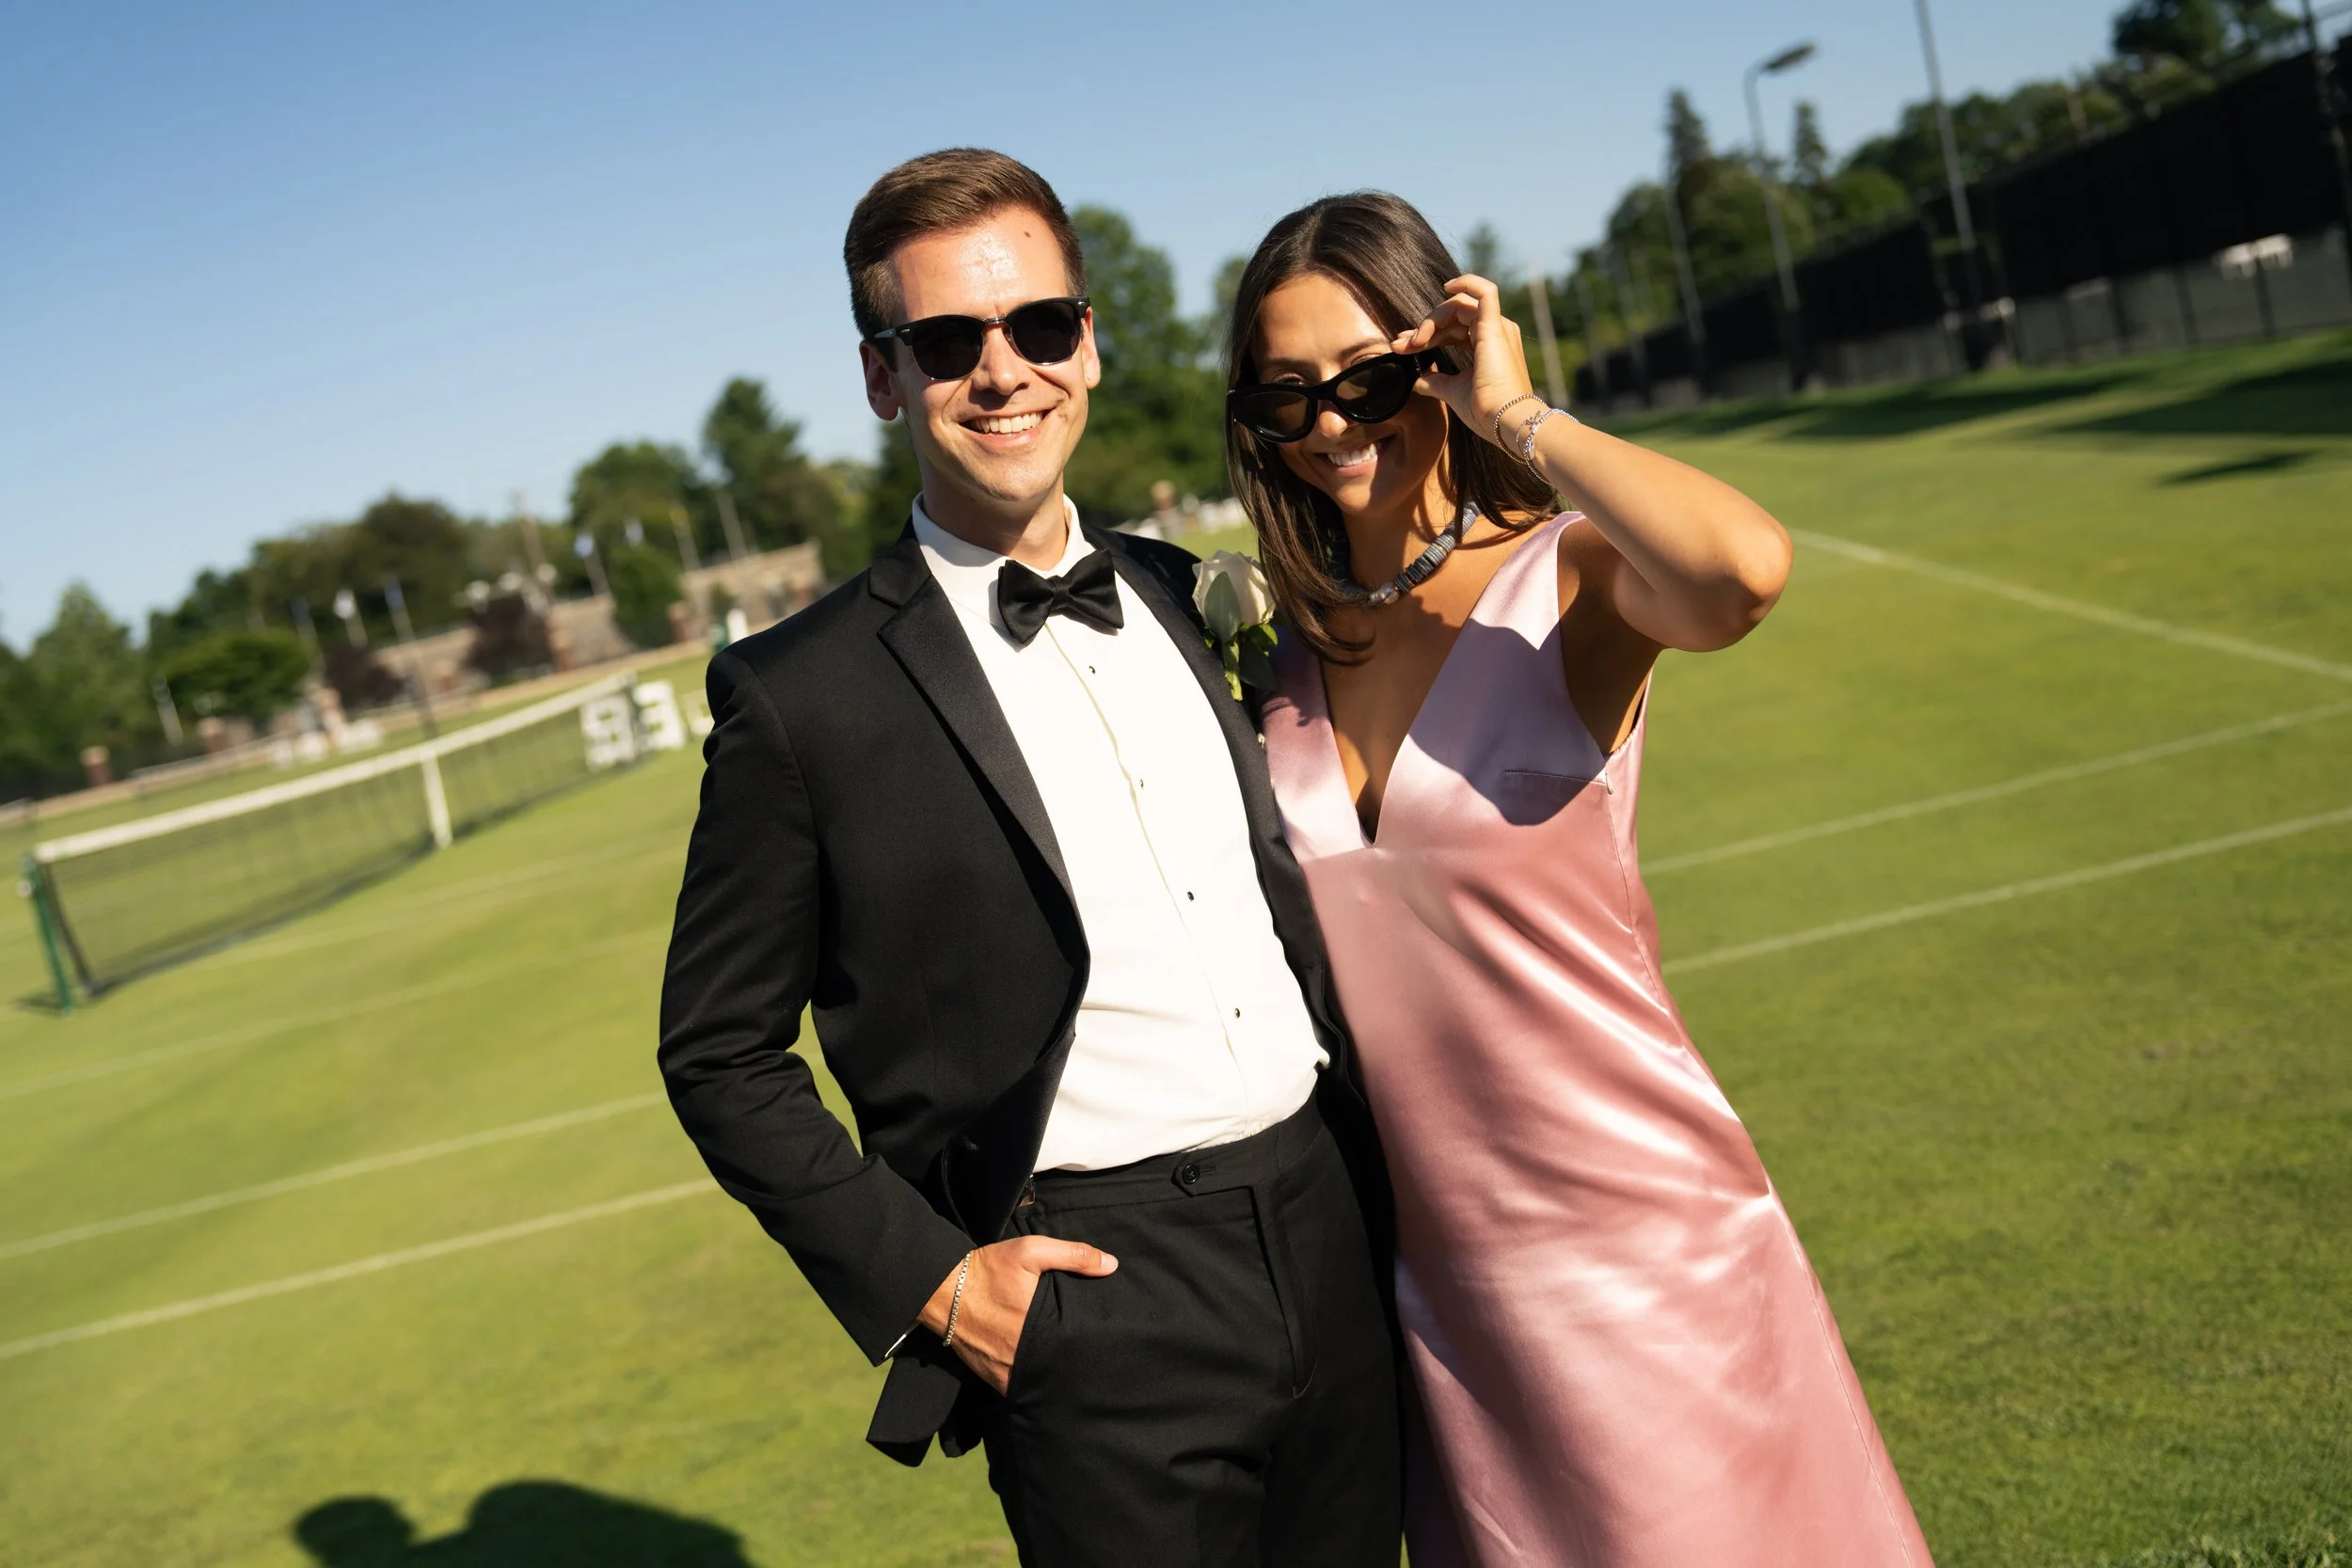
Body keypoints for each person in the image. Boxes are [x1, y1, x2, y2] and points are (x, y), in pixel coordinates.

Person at [658, 150, 1401, 1567]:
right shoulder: (796, 696)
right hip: (1094, 1298)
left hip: (1330, 1221)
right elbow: (717, 1052)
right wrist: (933, 1282)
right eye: (948, 341)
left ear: (1091, 344)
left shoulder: (1200, 593)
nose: (1004, 373)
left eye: (1039, 326)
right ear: (884, 378)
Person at [1228, 191, 1935, 1566]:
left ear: (1438, 356)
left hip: (1645, 1259)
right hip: (1437, 1300)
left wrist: (1521, 419)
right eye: (1284, 399)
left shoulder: (1564, 585)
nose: (1329, 426)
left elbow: (1742, 568)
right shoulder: (1278, 674)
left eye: (1371, 378)